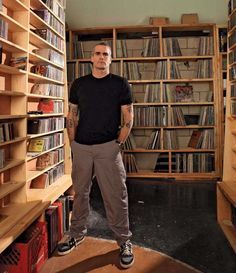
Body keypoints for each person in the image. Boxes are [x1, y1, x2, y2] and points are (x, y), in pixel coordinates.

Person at [57, 42, 134, 268]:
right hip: (81, 147)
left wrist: (117, 143)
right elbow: (72, 115)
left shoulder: (120, 84)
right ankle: (76, 234)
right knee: (80, 194)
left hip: (107, 148)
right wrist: (73, 143)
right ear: (91, 58)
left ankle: (123, 241)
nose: (101, 58)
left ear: (111, 59)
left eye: (106, 54)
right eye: (98, 54)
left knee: (116, 196)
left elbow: (128, 117)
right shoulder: (79, 84)